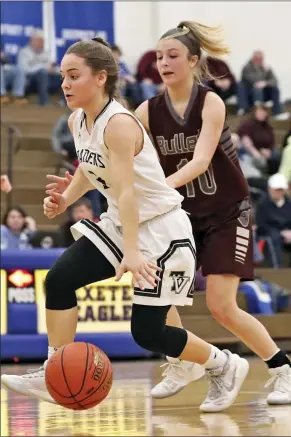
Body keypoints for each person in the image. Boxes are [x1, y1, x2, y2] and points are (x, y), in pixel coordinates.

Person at [1, 38, 249, 413]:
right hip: (124, 222)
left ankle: (223, 363)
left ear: (101, 78)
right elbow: (88, 165)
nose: (64, 84)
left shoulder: (119, 123)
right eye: (63, 76)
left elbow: (128, 192)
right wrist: (67, 197)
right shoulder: (77, 119)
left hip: (162, 230)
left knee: (147, 332)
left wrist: (132, 253)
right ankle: (54, 369)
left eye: (74, 76)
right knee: (60, 280)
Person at [133, 21, 291, 406]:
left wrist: (159, 188)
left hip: (228, 213)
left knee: (221, 305)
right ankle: (182, 361)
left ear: (194, 61)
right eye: (159, 57)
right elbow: (115, 144)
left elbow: (200, 159)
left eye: (173, 56)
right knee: (156, 290)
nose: (163, 63)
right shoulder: (146, 111)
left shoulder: (210, 101)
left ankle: (284, 372)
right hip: (182, 215)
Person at [256, 173, 291, 268]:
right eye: (276, 189)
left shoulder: (289, 204)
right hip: (271, 233)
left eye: (280, 190)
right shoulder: (263, 204)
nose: (278, 192)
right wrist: (281, 233)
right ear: (270, 189)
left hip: (288, 232)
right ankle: (278, 269)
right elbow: (262, 225)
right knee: (274, 237)